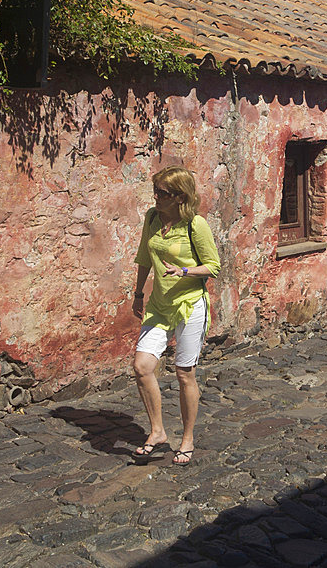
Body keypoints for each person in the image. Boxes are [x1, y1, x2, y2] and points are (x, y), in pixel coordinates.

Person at [131, 166, 221, 465]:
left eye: (162, 193)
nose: (155, 197)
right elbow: (145, 256)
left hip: (191, 304)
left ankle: (187, 438)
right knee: (142, 366)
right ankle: (157, 432)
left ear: (180, 196)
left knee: (184, 374)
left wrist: (183, 270)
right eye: (155, 191)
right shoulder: (153, 218)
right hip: (159, 304)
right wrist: (138, 294)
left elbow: (213, 266)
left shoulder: (196, 225)